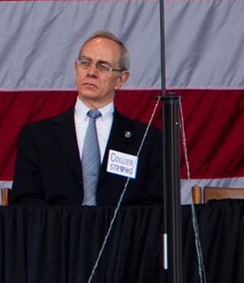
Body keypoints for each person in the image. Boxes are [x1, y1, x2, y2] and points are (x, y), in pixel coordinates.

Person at [10, 30, 162, 207]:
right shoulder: (37, 137)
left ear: (121, 79)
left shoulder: (148, 140)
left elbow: (156, 208)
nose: (91, 72)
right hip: (57, 233)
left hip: (123, 233)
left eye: (103, 66)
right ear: (76, 69)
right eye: (85, 63)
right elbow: (25, 203)